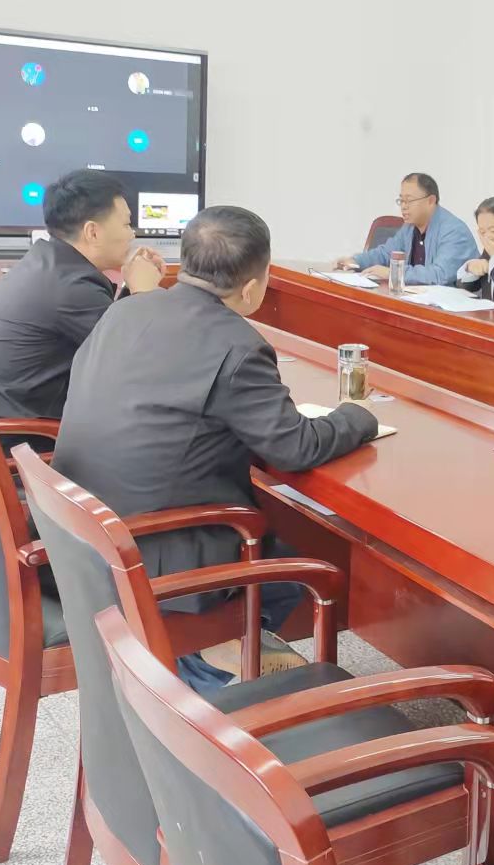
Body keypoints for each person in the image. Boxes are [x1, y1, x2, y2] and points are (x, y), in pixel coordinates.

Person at [53, 205, 380, 690]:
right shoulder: (238, 344)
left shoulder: (125, 310)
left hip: (81, 534)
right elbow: (294, 447)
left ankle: (217, 653)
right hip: (153, 552)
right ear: (251, 288)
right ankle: (203, 667)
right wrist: (357, 415)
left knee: (280, 543)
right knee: (300, 566)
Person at [0, 169, 165, 422]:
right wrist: (144, 294)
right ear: (93, 232)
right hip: (15, 428)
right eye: (127, 224)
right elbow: (139, 360)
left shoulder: (49, 262)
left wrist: (131, 285)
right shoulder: (72, 287)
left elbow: (107, 327)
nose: (132, 234)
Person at [334, 173, 477, 286]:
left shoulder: (453, 231)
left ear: (431, 201)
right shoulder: (409, 227)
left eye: (409, 200)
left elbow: (439, 274)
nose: (403, 206)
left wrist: (393, 273)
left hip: (452, 308)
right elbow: (386, 254)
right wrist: (355, 261)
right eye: (401, 200)